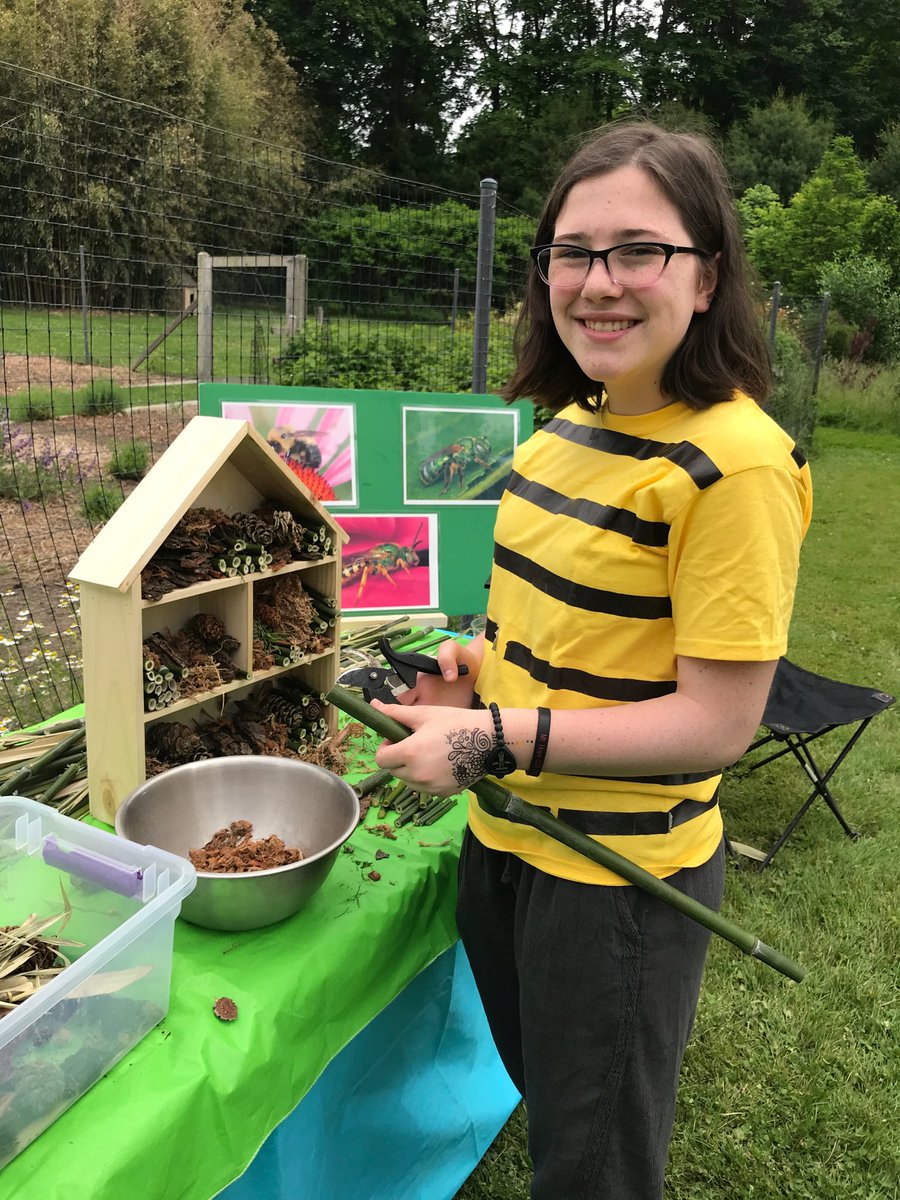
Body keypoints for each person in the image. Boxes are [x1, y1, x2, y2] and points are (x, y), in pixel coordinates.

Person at [374, 120, 812, 1199]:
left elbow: (715, 724)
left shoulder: (737, 465)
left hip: (614, 887)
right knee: (556, 1103)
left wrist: (488, 738)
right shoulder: (567, 423)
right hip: (509, 839)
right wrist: (476, 677)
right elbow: (563, 632)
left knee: (596, 1168)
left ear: (706, 276)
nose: (599, 283)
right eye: (574, 252)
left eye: (638, 251)